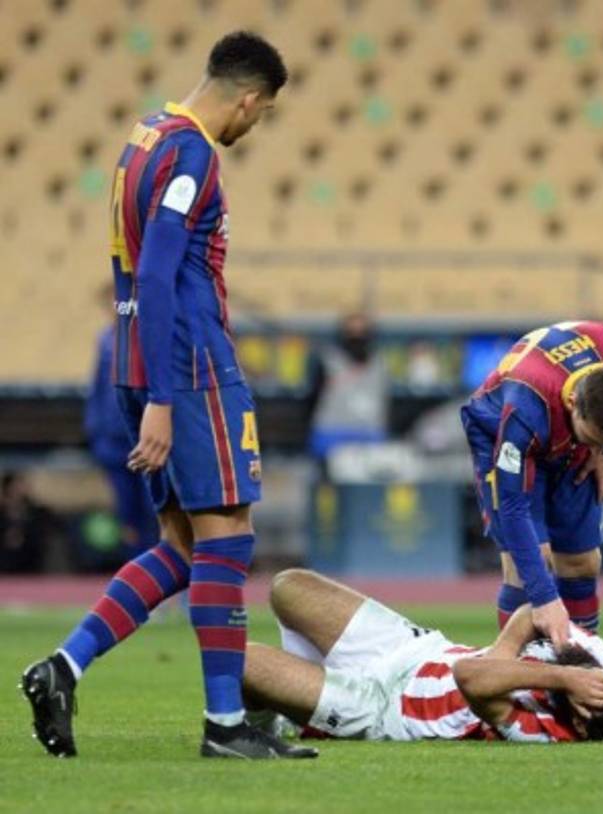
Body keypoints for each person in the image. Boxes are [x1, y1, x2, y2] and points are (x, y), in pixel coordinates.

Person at [20, 32, 314, 760]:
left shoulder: (144, 134)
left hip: (135, 357)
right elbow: (156, 275)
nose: (254, 126)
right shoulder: (192, 153)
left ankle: (63, 666)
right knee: (228, 539)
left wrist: (145, 383)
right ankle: (224, 726)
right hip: (187, 369)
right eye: (262, 113)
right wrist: (162, 394)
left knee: (181, 547)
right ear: (248, 99)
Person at [242, 569, 603, 743]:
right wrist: (505, 652)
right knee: (287, 586)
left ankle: (268, 724)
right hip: (413, 647)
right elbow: (534, 613)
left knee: (240, 662)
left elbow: (470, 675)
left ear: (581, 729)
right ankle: (297, 690)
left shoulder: (546, 735)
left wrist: (564, 680)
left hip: (386, 708)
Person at [460, 321, 603, 645]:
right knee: (528, 564)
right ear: (573, 406)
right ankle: (524, 676)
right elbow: (514, 508)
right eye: (593, 439)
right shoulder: (524, 413)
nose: (597, 445)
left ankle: (578, 666)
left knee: (582, 561)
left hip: (565, 438)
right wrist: (545, 600)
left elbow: (602, 425)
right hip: (497, 434)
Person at [85, 284, 159, 555]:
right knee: (127, 512)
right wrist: (94, 431)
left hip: (145, 436)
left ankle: (160, 564)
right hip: (112, 440)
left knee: (153, 505)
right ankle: (135, 565)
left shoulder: (146, 337)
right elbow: (97, 388)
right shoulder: (105, 340)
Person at [306, 311, 391, 463]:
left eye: (361, 332)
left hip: (369, 435)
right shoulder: (328, 360)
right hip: (331, 435)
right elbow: (313, 398)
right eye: (352, 332)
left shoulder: (380, 363)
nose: (357, 338)